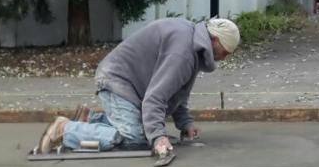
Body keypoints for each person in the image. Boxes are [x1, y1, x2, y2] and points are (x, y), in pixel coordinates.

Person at [38, 17, 240, 156]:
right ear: (214, 39)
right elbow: (156, 97)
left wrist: (185, 123)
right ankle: (66, 129)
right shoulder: (183, 52)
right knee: (135, 140)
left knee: (147, 133)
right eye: (226, 51)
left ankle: (89, 120)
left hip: (129, 85)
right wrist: (158, 137)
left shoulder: (193, 43)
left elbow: (176, 92)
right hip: (117, 80)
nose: (226, 57)